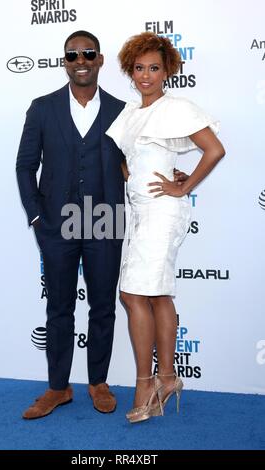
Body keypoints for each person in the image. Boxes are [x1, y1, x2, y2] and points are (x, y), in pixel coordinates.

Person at [16, 30, 187, 420]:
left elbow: (136, 161)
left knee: (102, 307)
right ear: (65, 61)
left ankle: (98, 383)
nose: (81, 61)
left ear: (100, 60)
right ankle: (58, 388)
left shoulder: (122, 110)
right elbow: (25, 165)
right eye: (73, 55)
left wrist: (173, 176)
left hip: (105, 220)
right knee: (58, 307)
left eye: (88, 54)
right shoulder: (42, 108)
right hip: (56, 224)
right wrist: (37, 215)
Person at [106, 32, 225, 423]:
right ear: (130, 70)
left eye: (154, 68)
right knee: (152, 294)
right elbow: (127, 160)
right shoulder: (130, 113)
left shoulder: (177, 107)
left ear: (167, 70)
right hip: (140, 210)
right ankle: (167, 378)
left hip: (163, 211)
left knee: (135, 293)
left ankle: (148, 382)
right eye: (139, 68)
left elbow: (215, 149)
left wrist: (184, 185)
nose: (145, 76)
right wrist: (135, 177)